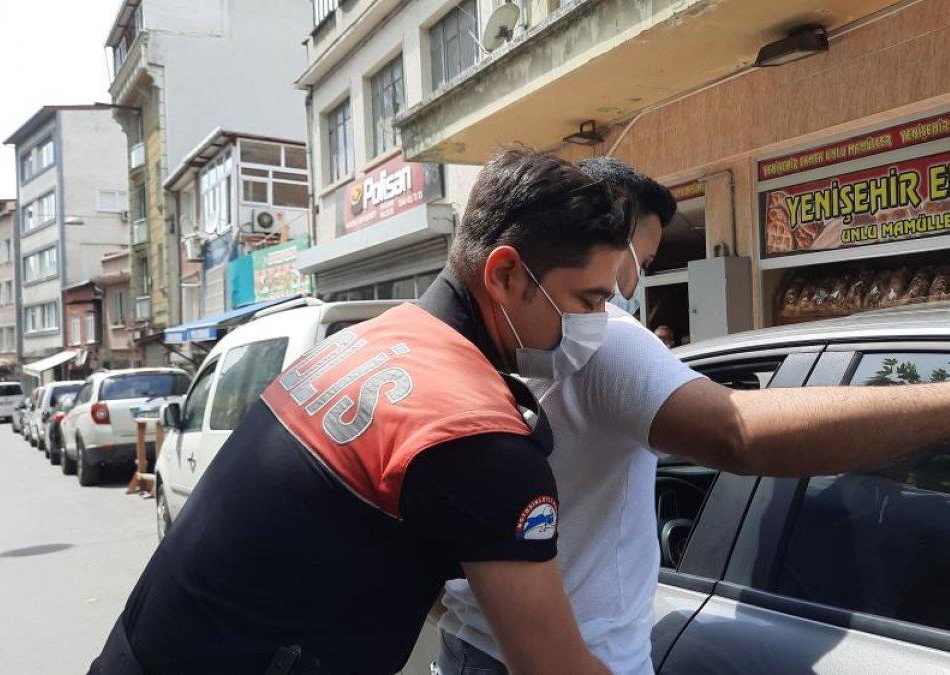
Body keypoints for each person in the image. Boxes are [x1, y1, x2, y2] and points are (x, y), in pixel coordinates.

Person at [436, 157, 950, 675]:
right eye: (615, 276)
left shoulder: (457, 344)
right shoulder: (603, 345)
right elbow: (740, 429)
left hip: (477, 641)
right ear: (512, 271)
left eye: (636, 267)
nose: (623, 294)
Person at [90, 149, 634, 675]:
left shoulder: (361, 344)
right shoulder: (477, 434)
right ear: (506, 275)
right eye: (588, 301)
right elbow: (554, 667)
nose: (598, 323)